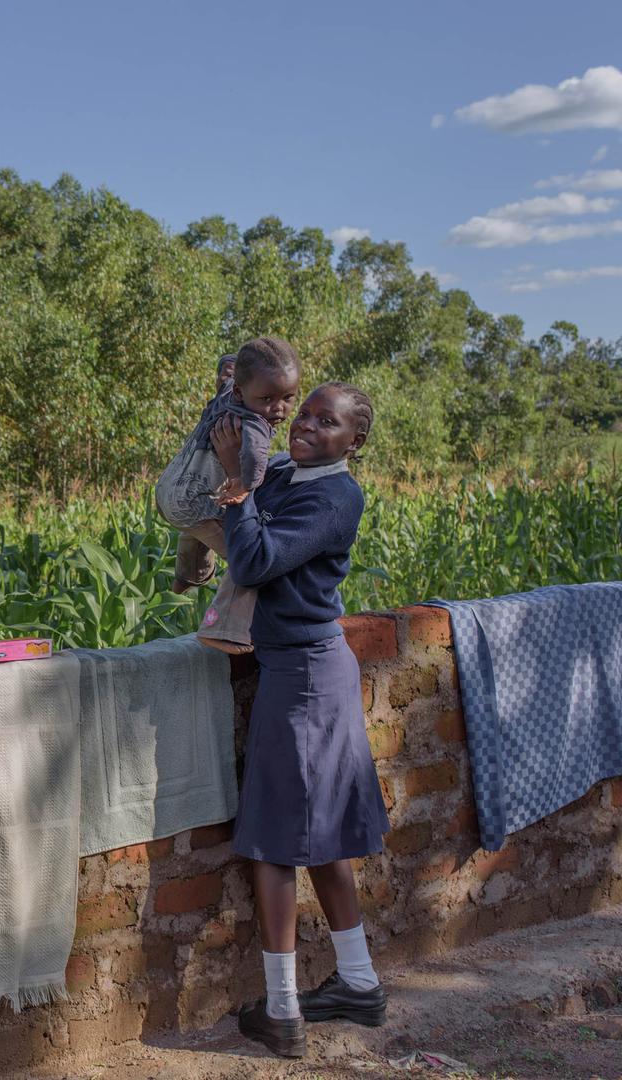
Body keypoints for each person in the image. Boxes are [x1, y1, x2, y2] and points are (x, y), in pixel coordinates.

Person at [209, 381, 390, 1059]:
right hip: (306, 671)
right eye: (303, 412)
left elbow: (255, 560)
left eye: (326, 421)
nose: (307, 425)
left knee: (275, 843)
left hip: (304, 678)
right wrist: (241, 404)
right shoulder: (289, 473)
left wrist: (236, 486)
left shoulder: (335, 497)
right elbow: (253, 459)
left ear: (354, 441)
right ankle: (358, 983)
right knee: (322, 836)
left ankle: (282, 1010)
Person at [154, 337, 301, 652]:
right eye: (267, 398)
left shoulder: (228, 393)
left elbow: (226, 372)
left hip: (170, 489)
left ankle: (187, 578)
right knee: (248, 555)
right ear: (241, 393)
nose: (278, 408)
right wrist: (246, 484)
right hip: (194, 503)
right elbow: (256, 461)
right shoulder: (255, 423)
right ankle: (222, 629)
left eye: (288, 397)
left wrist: (230, 366)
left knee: (200, 526)